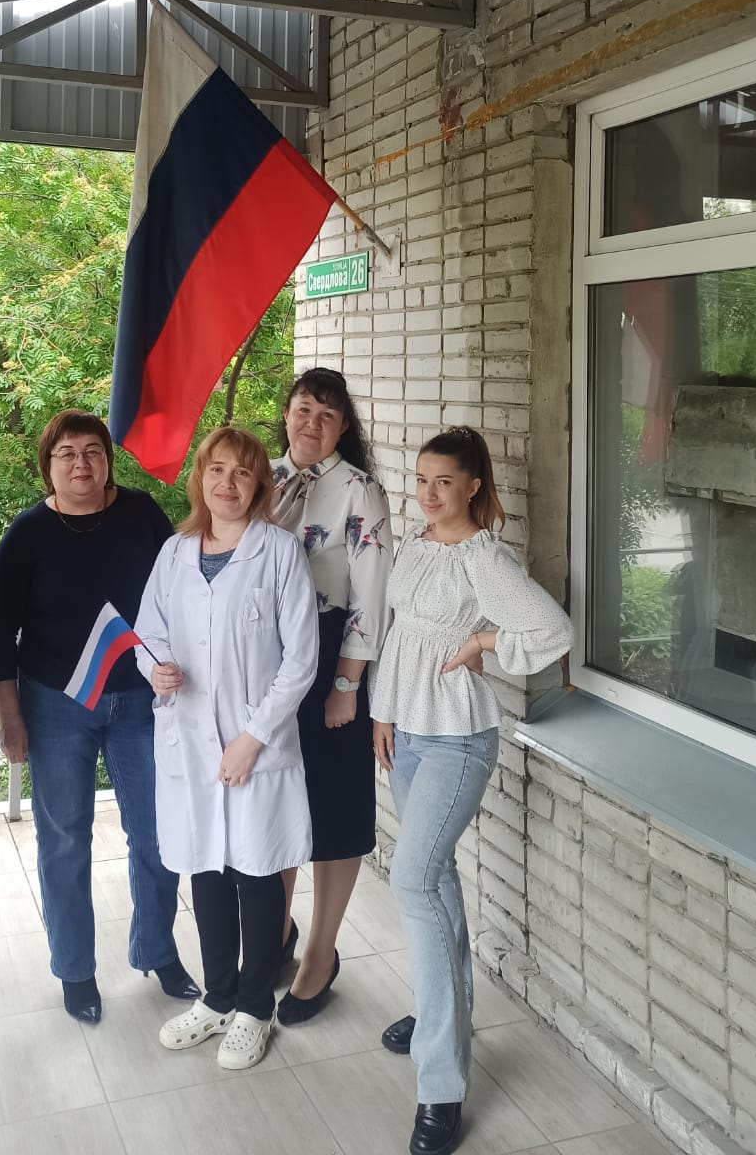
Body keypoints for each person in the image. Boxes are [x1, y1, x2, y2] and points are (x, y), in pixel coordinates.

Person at [370, 427, 574, 1155]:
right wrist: (383, 712)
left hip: (457, 739)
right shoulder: (418, 544)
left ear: (473, 487)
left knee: (412, 880)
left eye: (444, 482)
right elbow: (399, 635)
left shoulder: (483, 558)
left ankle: (440, 1085)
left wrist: (486, 642)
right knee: (437, 881)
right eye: (421, 479)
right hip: (407, 731)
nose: (428, 493)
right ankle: (447, 1012)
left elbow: (552, 630)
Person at [0, 410, 197, 1025]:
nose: (82, 464)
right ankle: (75, 970)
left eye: (94, 451)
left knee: (155, 833)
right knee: (65, 838)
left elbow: (179, 595)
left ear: (108, 460)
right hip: (56, 704)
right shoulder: (27, 533)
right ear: (48, 466)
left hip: (140, 701)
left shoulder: (142, 514)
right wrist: (9, 715)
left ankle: (157, 951)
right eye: (67, 454)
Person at [135, 426, 319, 1071]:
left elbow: (301, 660)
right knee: (207, 867)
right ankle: (216, 998)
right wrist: (155, 669)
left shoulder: (280, 552)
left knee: (257, 872)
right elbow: (149, 631)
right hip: (189, 740)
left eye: (242, 472)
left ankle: (254, 1008)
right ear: (200, 478)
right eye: (216, 470)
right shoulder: (175, 551)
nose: (228, 483)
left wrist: (252, 738)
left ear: (259, 483)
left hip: (255, 743)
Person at [270, 368, 392, 1022]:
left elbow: (371, 595)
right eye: (302, 409)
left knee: (333, 809)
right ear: (286, 414)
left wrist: (347, 684)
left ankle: (320, 953)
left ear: (343, 426)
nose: (311, 423)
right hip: (265, 663)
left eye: (326, 414)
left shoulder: (358, 490)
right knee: (275, 800)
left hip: (330, 658)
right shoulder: (257, 477)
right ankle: (276, 931)